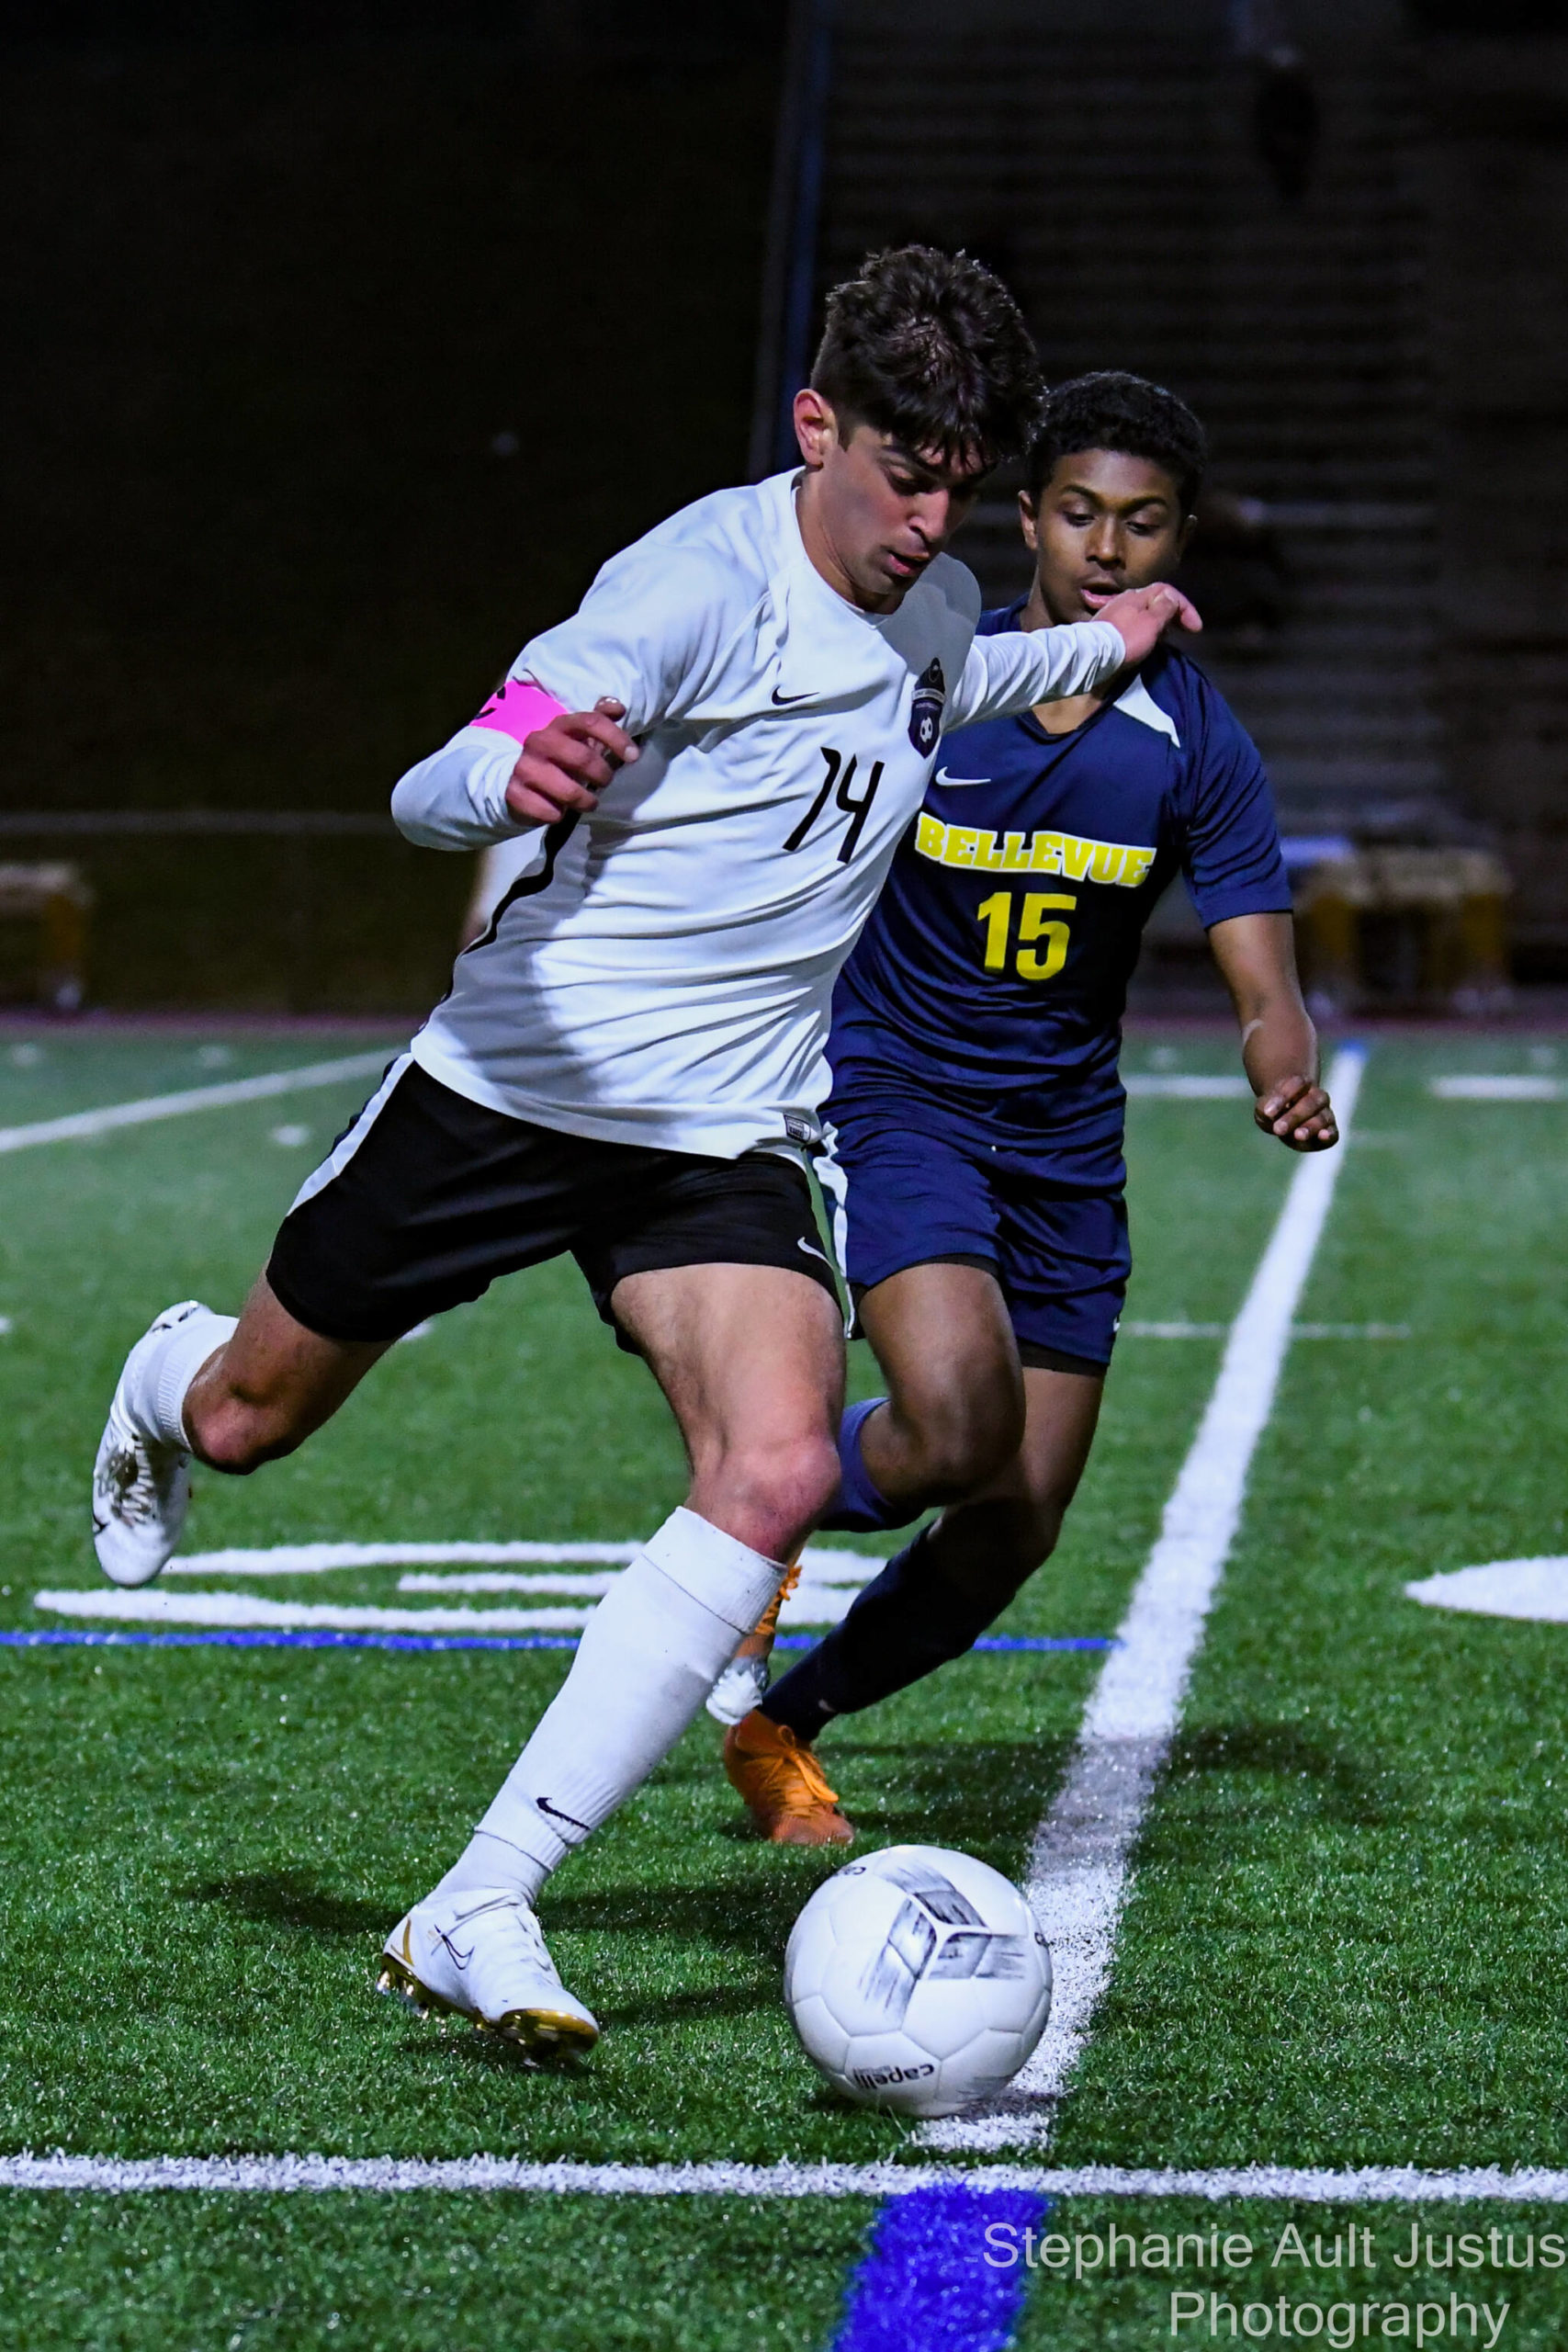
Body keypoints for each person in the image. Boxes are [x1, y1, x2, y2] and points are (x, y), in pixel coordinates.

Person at [89, 255, 1199, 2053]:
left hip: (723, 1133)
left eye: (957, 478)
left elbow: (956, 678)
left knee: (769, 1465)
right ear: (812, 424)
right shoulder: (688, 586)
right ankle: (159, 1381)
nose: (928, 517)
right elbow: (454, 762)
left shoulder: (927, 602)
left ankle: (479, 1898)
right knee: (249, 1419)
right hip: (521, 1084)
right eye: (898, 469)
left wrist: (1107, 644)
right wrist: (512, 782)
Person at [721, 370, 1336, 1846]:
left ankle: (779, 1723)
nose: (1107, 550)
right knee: (947, 1423)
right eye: (1079, 515)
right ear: (1027, 521)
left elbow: (1265, 971)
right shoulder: (932, 682)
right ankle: (767, 1495)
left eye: (1142, 524)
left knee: (1019, 1516)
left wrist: (1285, 1065)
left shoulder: (1199, 745)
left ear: (1182, 540)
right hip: (902, 1097)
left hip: (1063, 1143)